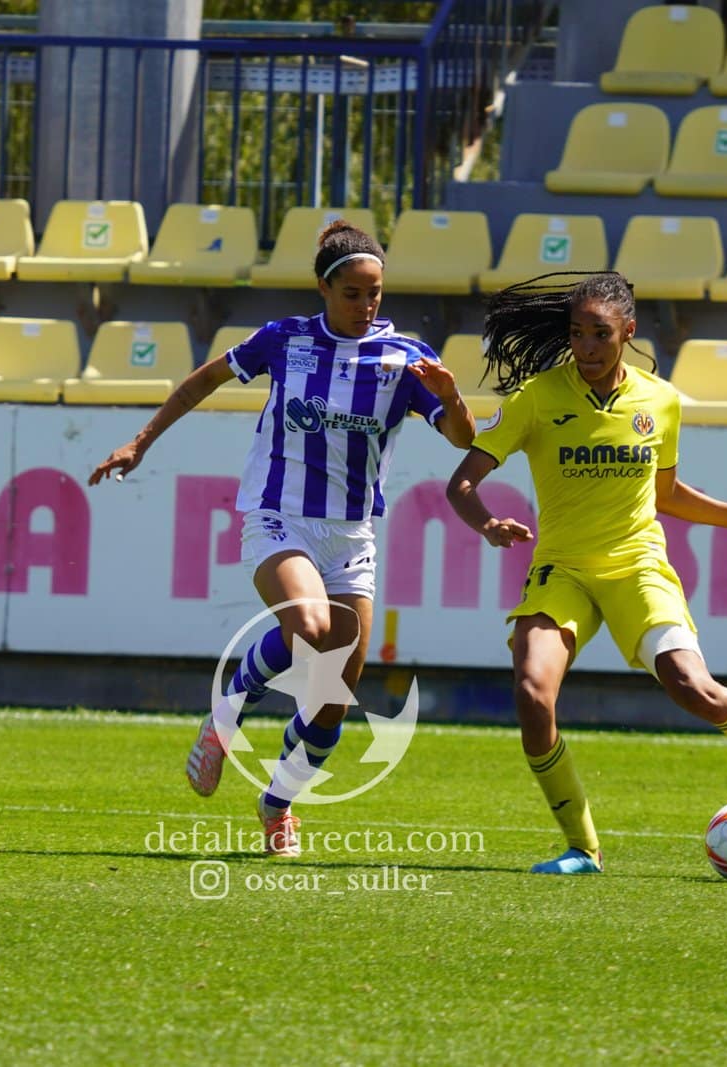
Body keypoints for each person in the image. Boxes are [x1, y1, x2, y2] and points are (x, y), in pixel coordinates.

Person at [444, 271, 727, 875]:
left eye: (601, 333)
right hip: (563, 571)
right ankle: (583, 847)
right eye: (577, 334)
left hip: (638, 569)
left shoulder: (661, 401)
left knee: (696, 690)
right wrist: (487, 524)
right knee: (531, 693)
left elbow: (668, 494)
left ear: (628, 331)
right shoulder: (536, 399)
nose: (587, 347)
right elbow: (462, 482)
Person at [90, 219, 476, 856]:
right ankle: (226, 716)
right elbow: (203, 380)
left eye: (375, 292)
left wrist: (451, 396)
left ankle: (277, 805)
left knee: (333, 701)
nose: (366, 304)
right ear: (324, 289)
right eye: (353, 292)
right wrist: (140, 441)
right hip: (279, 516)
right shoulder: (284, 340)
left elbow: (462, 438)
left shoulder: (403, 359)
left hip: (351, 534)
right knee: (311, 629)